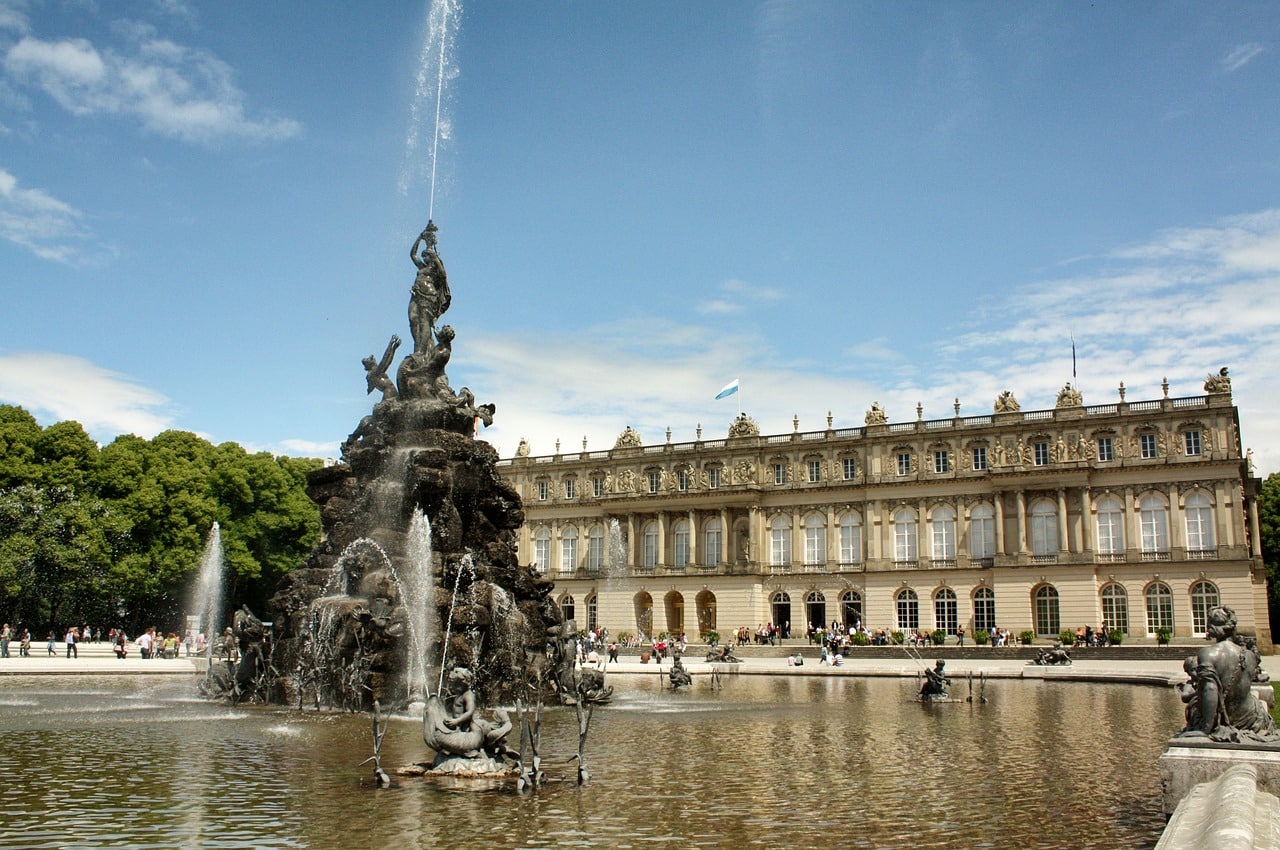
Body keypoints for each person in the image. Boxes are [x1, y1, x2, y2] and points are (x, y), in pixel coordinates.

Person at [1177, 606, 1279, 741]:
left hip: (1226, 718)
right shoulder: (1249, 655)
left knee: (1193, 708)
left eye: (1209, 622)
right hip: (1252, 718)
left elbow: (1210, 689)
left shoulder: (1208, 653)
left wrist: (1205, 728)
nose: (1207, 625)